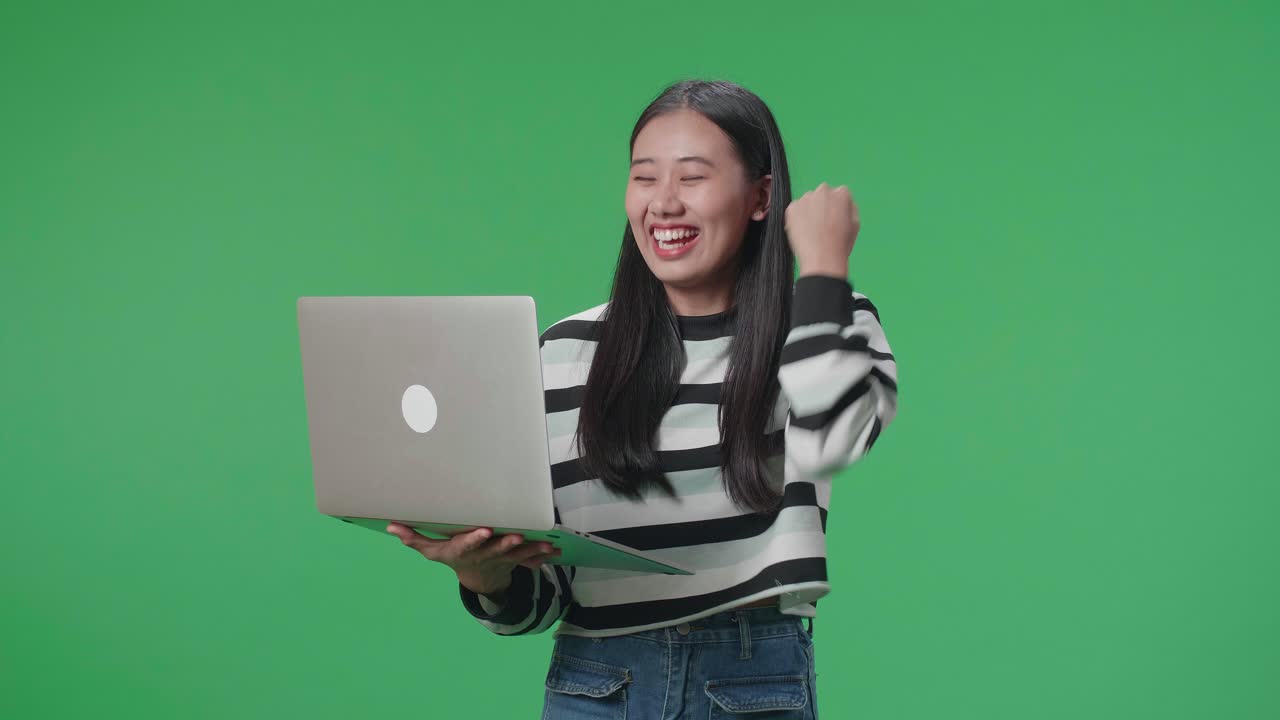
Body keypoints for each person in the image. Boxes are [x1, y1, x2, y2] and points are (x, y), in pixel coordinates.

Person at [386, 78, 899, 719]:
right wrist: (485, 575)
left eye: (692, 178)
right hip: (593, 684)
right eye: (644, 177)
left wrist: (823, 266)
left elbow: (836, 436)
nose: (663, 204)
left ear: (761, 195)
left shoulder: (819, 322)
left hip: (746, 686)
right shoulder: (562, 353)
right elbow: (548, 598)